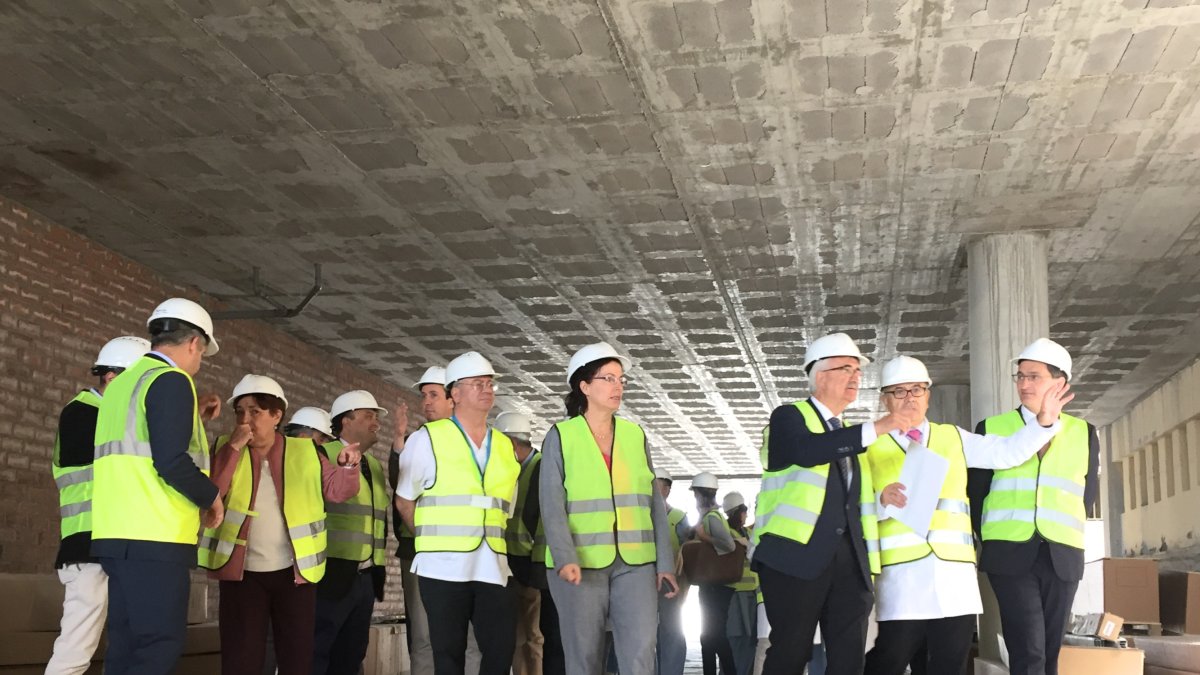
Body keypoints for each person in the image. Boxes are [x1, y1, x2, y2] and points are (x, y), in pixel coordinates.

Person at [862, 356, 1073, 675]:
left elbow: (1006, 452)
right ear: (884, 398)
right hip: (902, 576)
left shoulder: (953, 438)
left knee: (950, 662)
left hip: (953, 576)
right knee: (890, 657)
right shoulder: (870, 445)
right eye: (899, 391)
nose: (910, 399)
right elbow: (852, 506)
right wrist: (880, 500)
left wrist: (1043, 423)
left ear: (928, 394)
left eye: (917, 390)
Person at [752, 332, 922, 675]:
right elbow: (807, 450)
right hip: (794, 557)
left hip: (850, 565)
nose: (856, 377)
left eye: (858, 371)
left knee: (848, 662)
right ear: (819, 375)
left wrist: (879, 500)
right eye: (846, 368)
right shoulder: (789, 417)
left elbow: (845, 503)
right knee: (790, 654)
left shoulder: (848, 436)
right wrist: (879, 426)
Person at [91, 298, 225, 675]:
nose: (199, 363)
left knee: (125, 647)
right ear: (194, 343)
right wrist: (211, 496)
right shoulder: (172, 380)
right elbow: (170, 462)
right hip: (155, 538)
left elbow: (140, 447)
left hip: (115, 535)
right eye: (202, 353)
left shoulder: (121, 386)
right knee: (157, 646)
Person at [199, 375, 363, 675]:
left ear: (276, 416)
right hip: (241, 573)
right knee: (240, 659)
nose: (245, 420)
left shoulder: (305, 451)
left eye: (255, 412)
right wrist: (233, 450)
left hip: (294, 573)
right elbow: (211, 493)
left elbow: (338, 490)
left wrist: (349, 466)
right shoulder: (224, 446)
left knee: (296, 658)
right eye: (240, 412)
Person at [539, 342, 680, 675]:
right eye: (608, 378)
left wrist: (665, 562)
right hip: (580, 563)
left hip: (636, 563)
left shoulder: (635, 435)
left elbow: (653, 505)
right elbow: (551, 503)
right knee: (585, 657)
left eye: (621, 380)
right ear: (584, 386)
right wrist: (565, 557)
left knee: (640, 652)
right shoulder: (561, 435)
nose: (618, 386)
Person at [968, 339, 1100, 675]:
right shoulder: (993, 428)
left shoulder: (1084, 432)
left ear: (1060, 384)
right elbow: (976, 493)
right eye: (1020, 376)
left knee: (1050, 651)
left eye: (1033, 377)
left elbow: (1087, 494)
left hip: (1062, 554)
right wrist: (990, 539)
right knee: (1029, 649)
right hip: (1010, 552)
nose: (1024, 384)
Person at [395, 351, 521, 675]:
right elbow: (404, 500)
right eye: (477, 383)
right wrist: (432, 539)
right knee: (447, 656)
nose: (487, 389)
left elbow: (506, 508)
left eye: (490, 383)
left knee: (500, 651)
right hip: (442, 568)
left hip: (492, 564)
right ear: (456, 393)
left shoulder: (504, 446)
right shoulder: (427, 439)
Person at [47, 336, 149, 675]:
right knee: (77, 646)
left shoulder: (106, 414)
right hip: (85, 546)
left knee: (121, 643)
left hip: (112, 542)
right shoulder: (82, 414)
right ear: (111, 377)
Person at [313, 390, 393, 675]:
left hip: (365, 577)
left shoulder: (372, 465)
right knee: (319, 651)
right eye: (369, 416)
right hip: (331, 574)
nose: (376, 423)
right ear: (345, 421)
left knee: (352, 653)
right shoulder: (323, 455)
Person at [497, 410, 545, 675]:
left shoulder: (540, 468)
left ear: (512, 443)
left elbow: (542, 522)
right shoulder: (513, 471)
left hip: (530, 568)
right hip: (510, 565)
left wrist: (536, 569)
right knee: (517, 636)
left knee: (531, 637)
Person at [691, 473, 737, 675]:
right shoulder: (712, 516)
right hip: (714, 584)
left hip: (716, 586)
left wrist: (704, 537)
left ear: (699, 495)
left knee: (714, 635)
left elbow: (728, 545)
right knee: (709, 636)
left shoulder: (712, 517)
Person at [655, 468, 689, 675]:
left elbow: (688, 550)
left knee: (671, 630)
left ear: (667, 490)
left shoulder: (679, 518)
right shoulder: (642, 515)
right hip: (643, 581)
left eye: (657, 487)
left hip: (670, 583)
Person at [723, 492, 758, 675]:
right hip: (734, 594)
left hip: (753, 594)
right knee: (735, 638)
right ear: (735, 512)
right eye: (743, 510)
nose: (746, 514)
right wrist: (738, 542)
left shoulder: (750, 533)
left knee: (750, 639)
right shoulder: (727, 533)